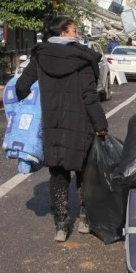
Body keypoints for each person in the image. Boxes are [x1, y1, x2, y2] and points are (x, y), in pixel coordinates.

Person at [15, 16, 108, 242]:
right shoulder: (82, 57)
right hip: (80, 124)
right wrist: (101, 125)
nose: (77, 34)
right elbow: (89, 95)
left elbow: (21, 86)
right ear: (64, 33)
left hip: (52, 124)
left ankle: (61, 224)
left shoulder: (40, 55)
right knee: (84, 172)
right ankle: (85, 218)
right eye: (74, 30)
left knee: (58, 172)